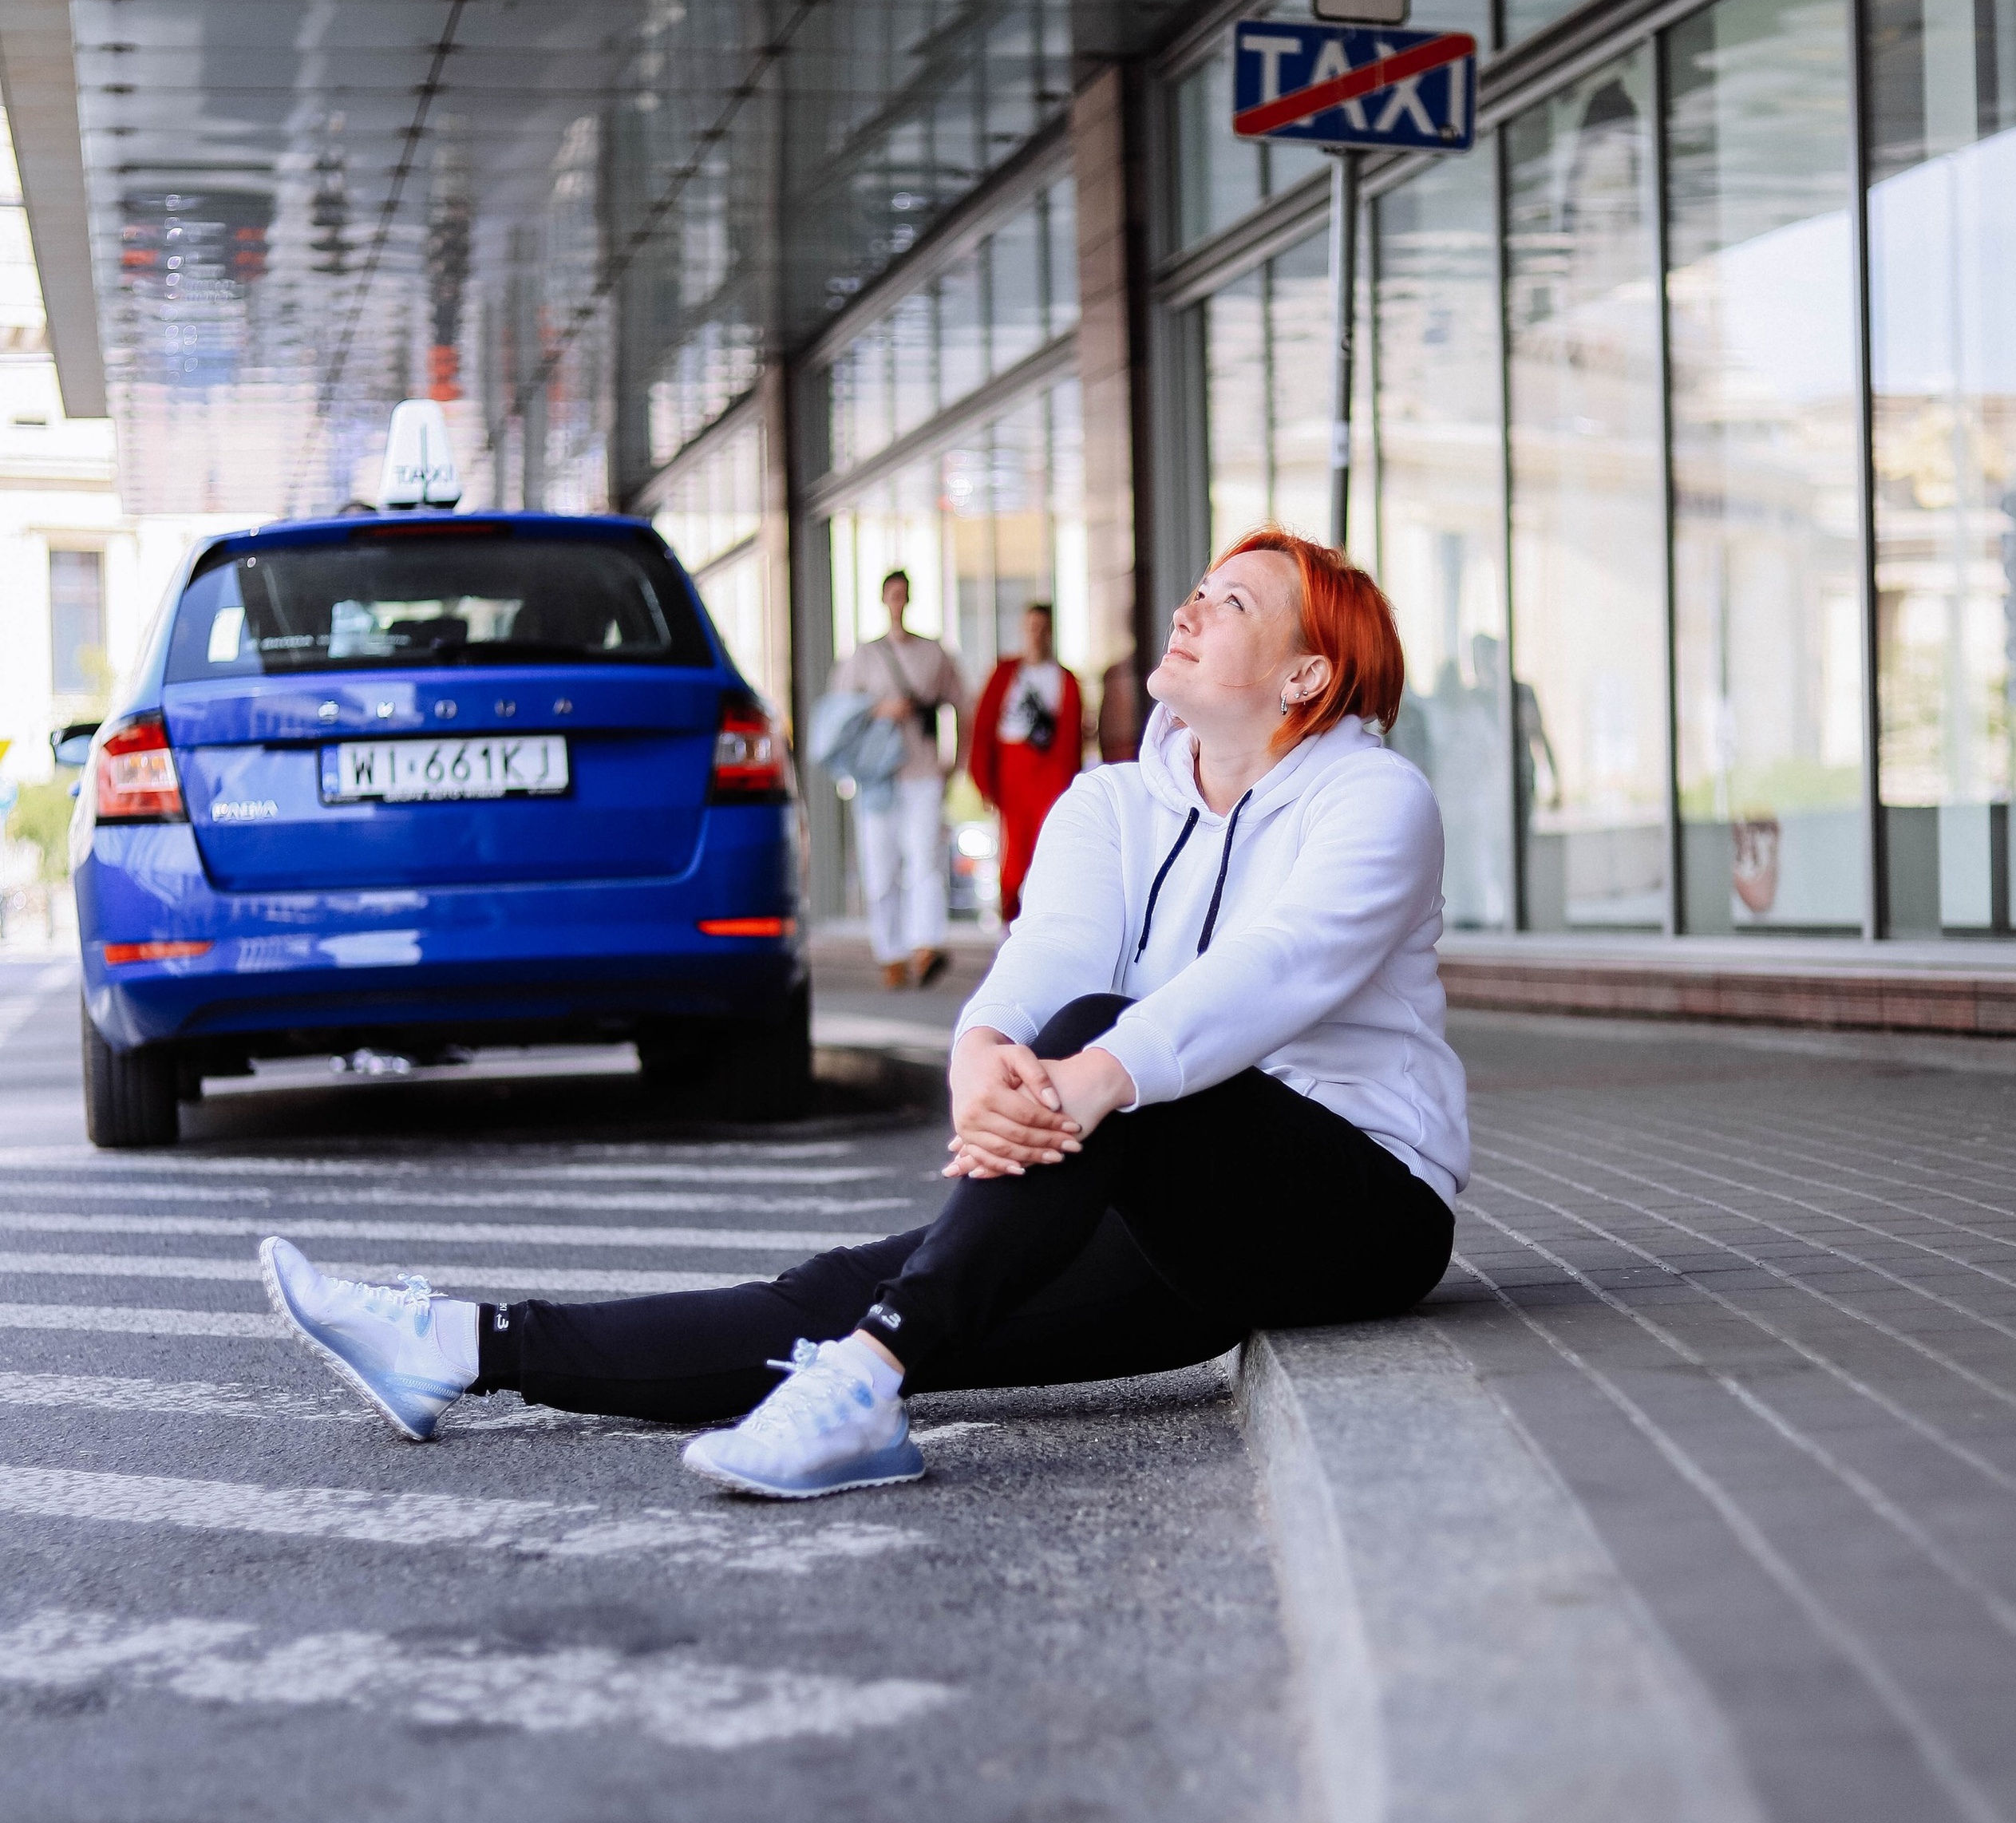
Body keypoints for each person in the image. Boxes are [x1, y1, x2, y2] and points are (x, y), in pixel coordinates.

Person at [259, 528, 1469, 1502]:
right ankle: (463, 1347)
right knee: (846, 1289)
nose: (1191, 610)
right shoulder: (1111, 804)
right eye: (1196, 590)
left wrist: (1090, 1077)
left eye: (1235, 603)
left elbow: (1274, 967)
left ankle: (869, 1383)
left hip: (1356, 1205)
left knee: (1092, 1053)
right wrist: (982, 1059)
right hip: (1172, 1219)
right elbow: (1046, 955)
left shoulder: (1373, 799)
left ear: (1309, 673)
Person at [829, 567, 971, 991]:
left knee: (924, 858)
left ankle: (925, 945)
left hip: (924, 768)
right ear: (883, 600)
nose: (897, 602)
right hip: (878, 777)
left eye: (902, 595)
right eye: (891, 594)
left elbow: (963, 705)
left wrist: (955, 761)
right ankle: (890, 952)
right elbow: (839, 714)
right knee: (880, 864)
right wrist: (880, 710)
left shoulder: (933, 653)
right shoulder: (864, 656)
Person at [967, 599, 1085, 923]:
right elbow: (983, 727)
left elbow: (1072, 737)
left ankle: (1044, 916)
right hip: (1012, 770)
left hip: (1049, 773)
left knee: (1048, 845)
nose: (1037, 635)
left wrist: (1067, 783)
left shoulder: (1065, 679)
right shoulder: (1006, 673)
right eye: (1032, 628)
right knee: (1013, 849)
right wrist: (983, 780)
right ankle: (1009, 917)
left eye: (1043, 629)